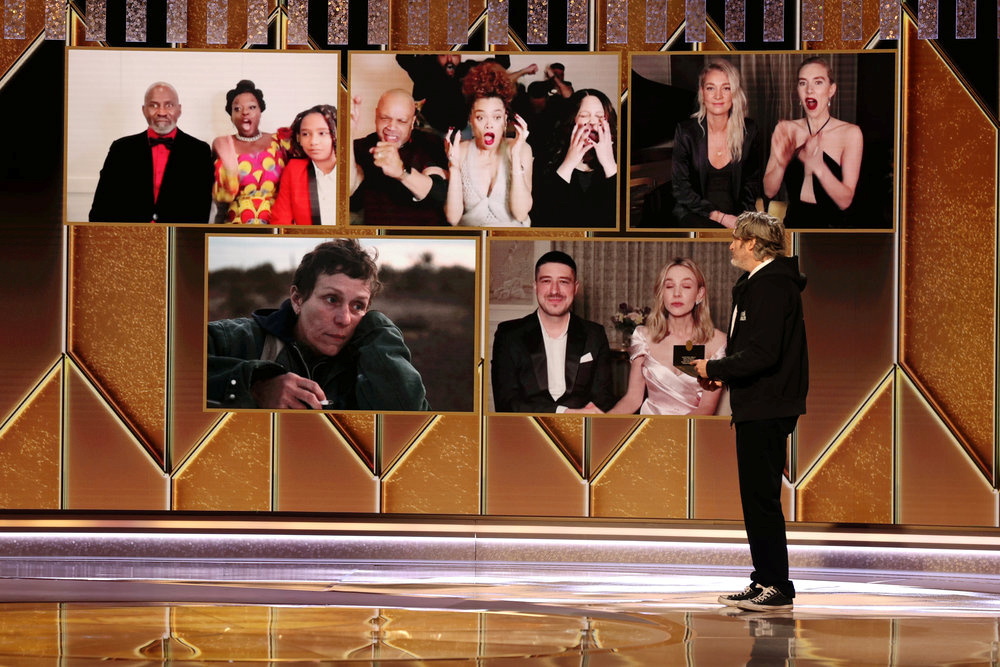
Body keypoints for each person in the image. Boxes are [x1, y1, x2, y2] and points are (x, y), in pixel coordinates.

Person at [692, 211, 809, 612]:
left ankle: (776, 585)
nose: (731, 245)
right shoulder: (758, 283)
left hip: (767, 406)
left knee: (761, 499)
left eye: (736, 239)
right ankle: (765, 580)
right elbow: (754, 349)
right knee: (757, 497)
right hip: (758, 403)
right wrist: (724, 375)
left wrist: (715, 368)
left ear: (754, 244)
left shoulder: (772, 285)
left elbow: (763, 353)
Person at [207, 239, 429, 411]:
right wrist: (254, 385)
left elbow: (413, 427)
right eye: (332, 299)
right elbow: (183, 368)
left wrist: (378, 327)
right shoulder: (237, 339)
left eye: (358, 306)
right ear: (297, 299)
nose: (344, 319)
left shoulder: (368, 362)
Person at [491, 250, 615, 413]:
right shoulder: (508, 334)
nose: (554, 290)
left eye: (563, 282)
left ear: (575, 288)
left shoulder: (595, 334)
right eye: (546, 281)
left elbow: (604, 399)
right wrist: (564, 413)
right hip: (527, 426)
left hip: (582, 426)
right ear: (535, 286)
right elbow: (506, 403)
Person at [609, 258, 726, 415]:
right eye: (669, 286)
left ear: (699, 294)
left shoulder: (717, 342)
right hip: (649, 426)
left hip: (692, 427)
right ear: (661, 293)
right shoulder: (643, 337)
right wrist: (601, 424)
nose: (677, 294)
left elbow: (706, 408)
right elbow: (632, 399)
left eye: (686, 286)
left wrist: (672, 431)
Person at [89, 81, 213, 223]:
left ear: (179, 110)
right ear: (144, 110)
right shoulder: (120, 149)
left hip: (177, 234)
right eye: (154, 105)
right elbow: (100, 209)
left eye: (169, 105)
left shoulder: (199, 151)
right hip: (130, 234)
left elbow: (201, 212)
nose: (161, 112)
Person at [763, 56, 863, 228]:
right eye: (803, 83)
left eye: (818, 82)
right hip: (793, 226)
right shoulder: (786, 129)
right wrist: (781, 163)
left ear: (831, 89)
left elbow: (845, 201)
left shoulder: (850, 133)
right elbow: (769, 191)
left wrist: (819, 167)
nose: (809, 90)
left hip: (832, 230)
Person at [672, 60, 762, 229]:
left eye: (726, 88)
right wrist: (720, 217)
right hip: (695, 213)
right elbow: (681, 189)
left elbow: (752, 183)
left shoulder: (749, 130)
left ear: (734, 92)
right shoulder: (686, 132)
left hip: (737, 215)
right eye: (710, 88)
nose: (718, 96)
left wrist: (740, 219)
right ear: (702, 92)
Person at [445, 62, 533, 227]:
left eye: (496, 117)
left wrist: (515, 158)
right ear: (470, 120)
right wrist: (454, 167)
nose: (489, 125)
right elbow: (453, 218)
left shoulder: (521, 149)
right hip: (472, 237)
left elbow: (521, 213)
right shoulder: (461, 151)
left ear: (505, 119)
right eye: (481, 117)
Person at [350, 89, 449, 226]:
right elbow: (349, 199)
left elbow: (439, 195)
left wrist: (401, 172)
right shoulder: (359, 147)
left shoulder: (430, 143)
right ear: (376, 115)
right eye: (385, 118)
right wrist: (347, 136)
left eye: (401, 121)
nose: (392, 127)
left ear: (413, 122)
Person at [395, 53, 537, 136]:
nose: (449, 60)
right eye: (443, 55)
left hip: (462, 130)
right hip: (432, 131)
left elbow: (501, 65)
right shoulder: (426, 69)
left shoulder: (467, 70)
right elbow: (402, 57)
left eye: (454, 55)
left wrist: (496, 29)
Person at [211, 80, 292, 224]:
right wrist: (230, 170)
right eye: (237, 109)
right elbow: (222, 197)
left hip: (278, 225)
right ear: (231, 116)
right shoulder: (224, 144)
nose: (245, 112)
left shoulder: (280, 141)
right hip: (237, 226)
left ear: (260, 111)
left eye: (252, 107)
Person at [270, 104, 338, 226]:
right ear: (298, 138)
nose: (313, 142)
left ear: (336, 134)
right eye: (305, 134)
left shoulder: (352, 168)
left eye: (322, 133)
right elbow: (280, 220)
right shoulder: (294, 170)